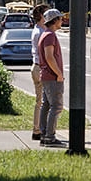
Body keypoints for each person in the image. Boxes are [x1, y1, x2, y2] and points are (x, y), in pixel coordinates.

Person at [33, 8, 65, 145]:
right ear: (55, 20)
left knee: (46, 105)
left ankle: (44, 133)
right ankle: (50, 137)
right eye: (60, 18)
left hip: (46, 75)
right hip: (51, 76)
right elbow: (49, 57)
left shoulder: (45, 34)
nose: (62, 21)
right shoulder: (50, 36)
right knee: (56, 106)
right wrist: (59, 74)